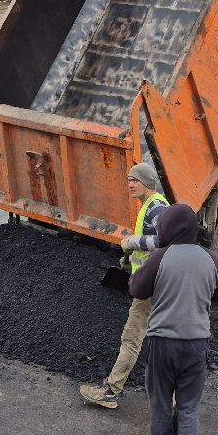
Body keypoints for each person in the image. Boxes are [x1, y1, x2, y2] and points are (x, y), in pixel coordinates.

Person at [128, 203, 218, 435]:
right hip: (196, 344)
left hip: (162, 343)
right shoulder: (212, 259)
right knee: (189, 404)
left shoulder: (160, 258)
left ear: (170, 229)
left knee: (160, 398)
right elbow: (217, 295)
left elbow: (136, 289)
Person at [78, 162, 169, 409]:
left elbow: (165, 240)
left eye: (134, 180)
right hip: (152, 283)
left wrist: (132, 242)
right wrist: (129, 259)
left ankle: (110, 391)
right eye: (129, 180)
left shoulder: (157, 207)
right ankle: (174, 399)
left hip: (152, 286)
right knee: (163, 340)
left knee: (132, 337)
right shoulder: (149, 206)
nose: (129, 184)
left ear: (146, 183)